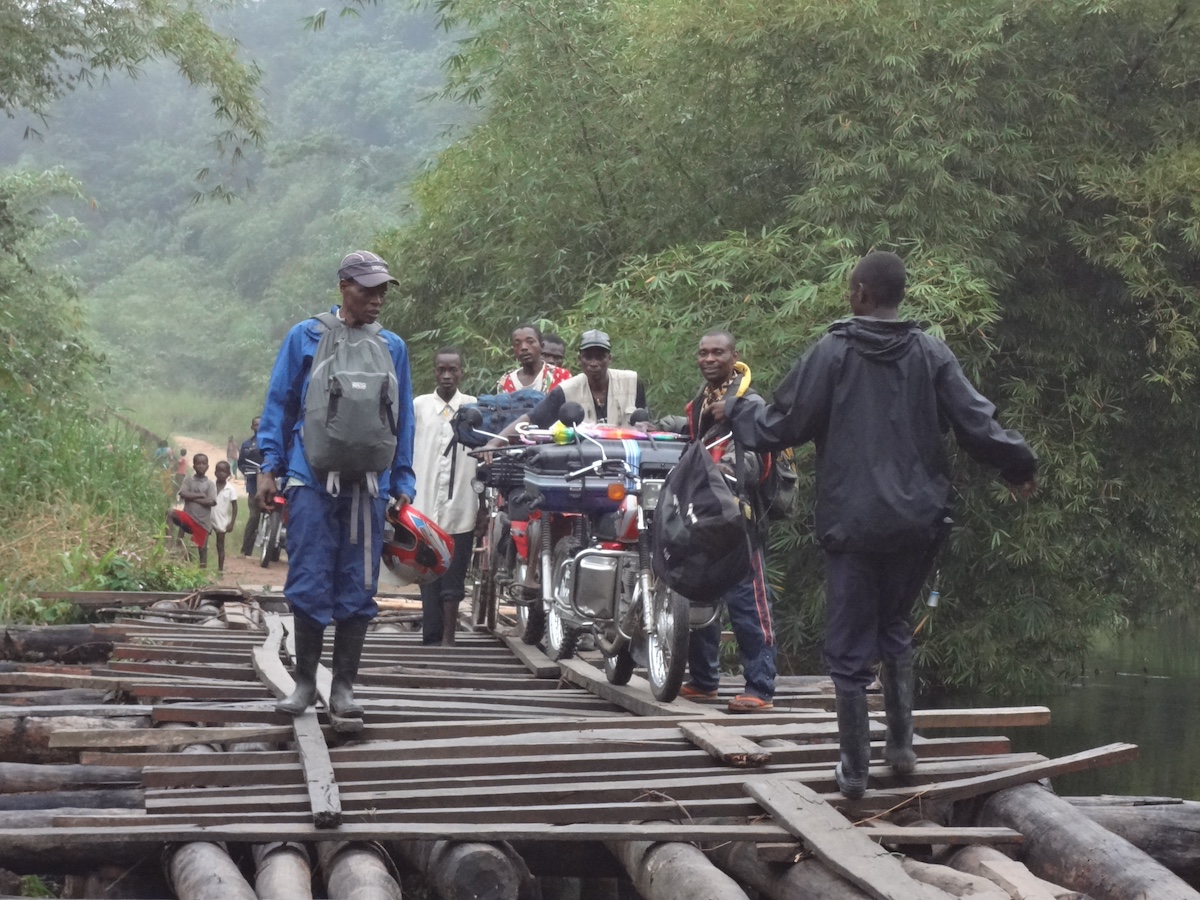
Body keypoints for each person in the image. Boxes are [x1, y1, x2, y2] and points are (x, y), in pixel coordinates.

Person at [715, 250, 1037, 799]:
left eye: (850, 287)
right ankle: (902, 746)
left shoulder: (833, 352)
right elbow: (974, 419)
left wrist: (736, 412)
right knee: (893, 623)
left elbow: (783, 424)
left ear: (863, 293)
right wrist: (1019, 464)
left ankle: (855, 769)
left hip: (854, 521)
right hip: (917, 522)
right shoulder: (930, 353)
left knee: (848, 645)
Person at [256, 249, 416, 733]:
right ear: (343, 285)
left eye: (382, 289)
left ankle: (343, 687)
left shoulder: (393, 346)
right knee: (307, 577)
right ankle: (306, 683)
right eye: (367, 289)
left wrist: (402, 479)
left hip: (368, 485)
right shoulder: (304, 337)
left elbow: (402, 418)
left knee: (358, 584)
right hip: (310, 479)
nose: (377, 298)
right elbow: (280, 403)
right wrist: (270, 466)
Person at [677, 330, 777, 713]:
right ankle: (704, 681)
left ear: (734, 355)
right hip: (704, 515)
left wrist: (717, 473)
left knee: (748, 602)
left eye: (717, 352)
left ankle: (761, 687)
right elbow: (694, 436)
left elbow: (754, 459)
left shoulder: (748, 401)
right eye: (702, 352)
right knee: (699, 597)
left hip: (740, 518)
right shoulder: (704, 400)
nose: (708, 359)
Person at [412, 348, 478, 645]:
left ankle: (449, 640)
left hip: (462, 504)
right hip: (424, 504)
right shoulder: (419, 406)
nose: (447, 375)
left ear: (462, 371)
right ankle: (431, 635)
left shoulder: (474, 408)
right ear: (434, 371)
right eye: (442, 370)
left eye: (453, 369)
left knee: (454, 571)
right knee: (427, 569)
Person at [490, 329, 646, 437]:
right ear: (580, 360)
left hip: (627, 461)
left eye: (600, 357)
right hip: (583, 464)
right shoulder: (565, 389)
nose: (593, 363)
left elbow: (644, 421)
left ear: (609, 359)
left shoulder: (632, 382)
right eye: (588, 357)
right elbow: (532, 418)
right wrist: (494, 442)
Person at [167, 452, 216, 569]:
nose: (201, 466)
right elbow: (183, 493)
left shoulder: (210, 484)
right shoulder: (188, 480)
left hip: (202, 523)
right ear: (193, 466)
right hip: (187, 519)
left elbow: (211, 501)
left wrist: (192, 498)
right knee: (169, 512)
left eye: (203, 463)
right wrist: (200, 496)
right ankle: (169, 541)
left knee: (202, 549)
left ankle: (202, 572)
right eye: (198, 463)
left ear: (207, 466)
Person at [495, 323, 571, 394]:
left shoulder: (562, 376)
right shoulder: (505, 381)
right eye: (517, 344)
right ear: (513, 349)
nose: (523, 347)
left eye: (530, 342)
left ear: (541, 345)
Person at [238, 416, 265, 557]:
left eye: (260, 424)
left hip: (269, 484)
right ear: (252, 427)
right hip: (253, 486)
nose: (258, 427)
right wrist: (247, 474)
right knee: (254, 516)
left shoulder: (270, 442)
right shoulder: (246, 444)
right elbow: (241, 463)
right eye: (255, 424)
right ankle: (246, 550)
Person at [210, 460, 239, 573]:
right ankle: (203, 566)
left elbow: (235, 507)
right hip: (208, 518)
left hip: (222, 520)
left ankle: (220, 569)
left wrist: (231, 523)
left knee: (220, 545)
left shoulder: (230, 489)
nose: (221, 473)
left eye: (224, 471)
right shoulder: (210, 485)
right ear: (215, 472)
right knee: (203, 542)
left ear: (228, 474)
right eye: (219, 471)